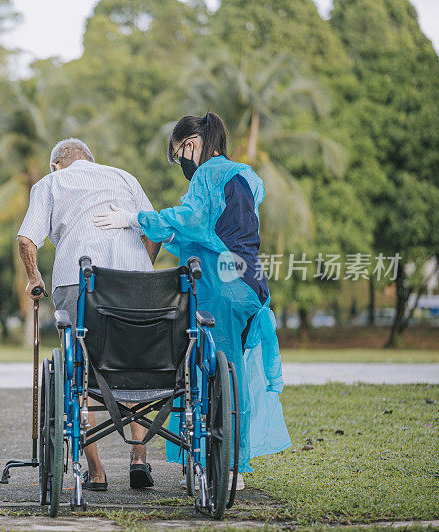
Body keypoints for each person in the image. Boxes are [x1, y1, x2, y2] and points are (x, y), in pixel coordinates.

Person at [93, 112, 291, 489]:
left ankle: (230, 469)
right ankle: (226, 461)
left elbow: (193, 218)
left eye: (179, 152)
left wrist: (133, 219)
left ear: (191, 144)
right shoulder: (245, 175)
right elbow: (217, 227)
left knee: (219, 374)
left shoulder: (209, 174)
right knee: (232, 376)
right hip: (250, 285)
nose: (182, 161)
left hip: (221, 285)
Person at [17, 138, 161, 491]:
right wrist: (140, 270)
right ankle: (139, 457)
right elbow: (155, 229)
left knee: (79, 373)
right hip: (135, 285)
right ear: (92, 160)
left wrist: (34, 278)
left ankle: (96, 471)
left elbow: (26, 239)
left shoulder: (50, 183)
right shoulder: (124, 177)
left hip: (78, 282)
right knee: (133, 363)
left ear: (56, 165)